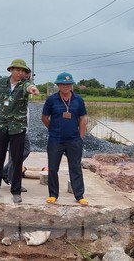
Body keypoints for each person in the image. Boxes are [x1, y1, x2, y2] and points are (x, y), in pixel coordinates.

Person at [0, 59, 39, 204]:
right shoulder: (1, 83)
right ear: (11, 70)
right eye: (18, 70)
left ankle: (16, 191)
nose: (20, 73)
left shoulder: (24, 84)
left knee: (16, 159)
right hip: (1, 125)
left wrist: (32, 89)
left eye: (23, 71)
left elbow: (29, 87)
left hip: (18, 128)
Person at [41, 72, 89, 206]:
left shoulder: (78, 100)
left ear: (71, 85)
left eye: (68, 84)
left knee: (75, 167)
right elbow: (44, 118)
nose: (65, 86)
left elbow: (82, 119)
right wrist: (52, 129)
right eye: (62, 84)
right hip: (55, 140)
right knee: (53, 168)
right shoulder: (51, 100)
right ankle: (53, 195)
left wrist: (80, 136)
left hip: (73, 140)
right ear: (58, 85)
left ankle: (79, 195)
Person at [2, 68, 32, 192]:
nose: (28, 79)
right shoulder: (13, 89)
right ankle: (8, 174)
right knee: (23, 151)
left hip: (23, 127)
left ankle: (8, 175)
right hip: (15, 128)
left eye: (29, 77)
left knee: (16, 153)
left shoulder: (24, 88)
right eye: (26, 77)